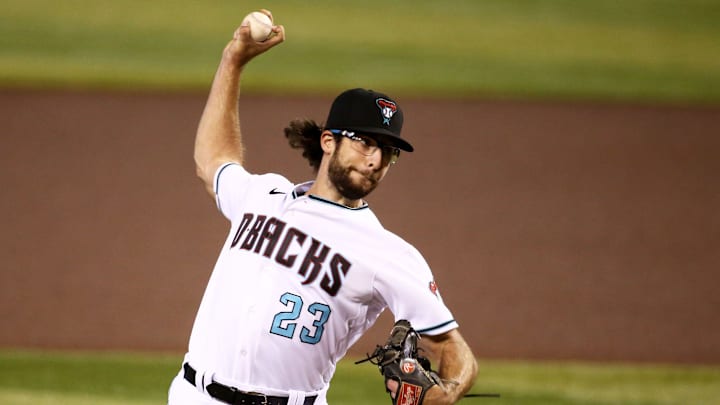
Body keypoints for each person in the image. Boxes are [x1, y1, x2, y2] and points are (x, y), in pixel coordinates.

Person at [168, 10, 478, 405]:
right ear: (329, 141)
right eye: (365, 142)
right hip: (194, 395)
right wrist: (233, 60)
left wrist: (449, 392)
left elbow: (451, 348)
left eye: (387, 151)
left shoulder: (389, 254)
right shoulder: (264, 196)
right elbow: (213, 160)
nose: (375, 159)